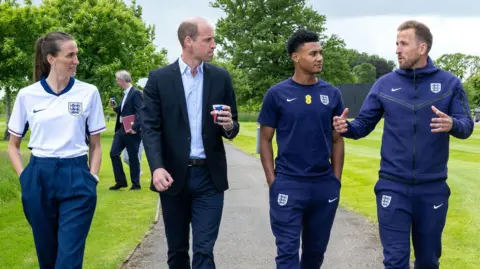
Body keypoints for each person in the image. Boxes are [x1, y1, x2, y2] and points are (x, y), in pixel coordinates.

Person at [333, 20, 474, 269]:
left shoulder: (449, 84)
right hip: (392, 186)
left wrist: (452, 124)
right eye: (396, 43)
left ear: (422, 48)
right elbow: (363, 124)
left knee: (428, 261)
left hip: (432, 188)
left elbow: (466, 125)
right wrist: (347, 129)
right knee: (395, 260)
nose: (397, 50)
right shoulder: (384, 84)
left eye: (403, 44)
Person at [141, 17, 239, 269]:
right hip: (173, 176)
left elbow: (233, 126)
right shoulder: (159, 79)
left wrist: (228, 126)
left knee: (204, 250)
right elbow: (150, 128)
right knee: (177, 251)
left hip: (210, 177)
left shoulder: (221, 77)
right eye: (208, 40)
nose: (214, 45)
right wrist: (156, 167)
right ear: (188, 41)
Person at [7, 31, 106, 269]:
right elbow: (13, 145)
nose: (76, 61)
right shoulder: (27, 95)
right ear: (51, 58)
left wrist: (92, 177)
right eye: (70, 55)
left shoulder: (89, 92)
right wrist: (26, 179)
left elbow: (96, 144)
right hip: (39, 177)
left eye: (76, 55)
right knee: (47, 258)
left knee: (68, 260)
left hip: (77, 177)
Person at [257, 29, 345, 268]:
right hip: (288, 183)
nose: (319, 58)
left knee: (315, 255)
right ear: (295, 57)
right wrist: (273, 181)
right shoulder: (276, 94)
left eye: (320, 53)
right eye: (313, 53)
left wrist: (335, 180)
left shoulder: (332, 94)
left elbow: (337, 140)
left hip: (323, 185)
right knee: (287, 253)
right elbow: (264, 139)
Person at [109, 70, 143, 190]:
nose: (117, 82)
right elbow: (123, 112)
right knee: (113, 154)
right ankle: (121, 181)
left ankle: (136, 184)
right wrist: (115, 108)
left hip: (131, 131)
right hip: (121, 130)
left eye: (117, 80)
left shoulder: (136, 93)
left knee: (133, 158)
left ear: (122, 80)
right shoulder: (125, 94)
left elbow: (140, 112)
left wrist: (135, 128)